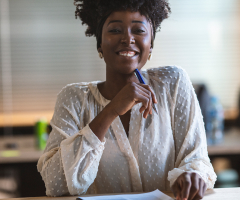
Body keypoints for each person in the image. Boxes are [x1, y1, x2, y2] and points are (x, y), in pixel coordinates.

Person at [37, 0, 217, 199]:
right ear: (99, 44)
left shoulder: (173, 83)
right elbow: (55, 184)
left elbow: (196, 160)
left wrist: (192, 175)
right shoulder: (73, 99)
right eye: (115, 30)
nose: (127, 38)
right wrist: (110, 111)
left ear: (151, 45)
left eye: (139, 30)